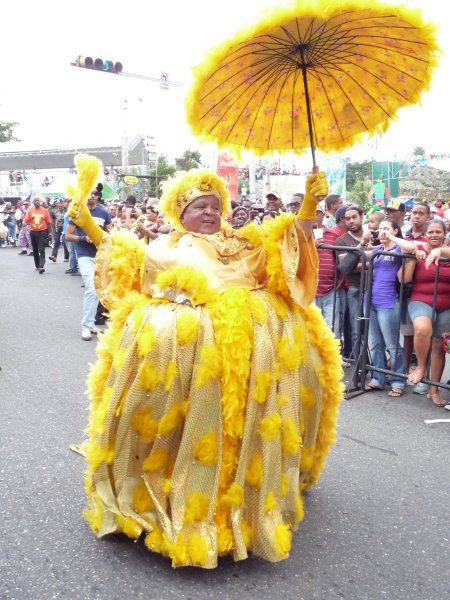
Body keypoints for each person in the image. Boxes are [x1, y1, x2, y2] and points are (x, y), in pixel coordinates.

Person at [67, 156, 342, 568]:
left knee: (243, 427)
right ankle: (169, 494)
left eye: (216, 205)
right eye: (200, 206)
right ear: (182, 213)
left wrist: (307, 209)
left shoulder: (244, 241)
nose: (211, 212)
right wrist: (88, 224)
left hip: (249, 357)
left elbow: (286, 260)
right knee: (182, 426)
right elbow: (127, 267)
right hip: (183, 359)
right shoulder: (167, 246)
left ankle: (242, 503)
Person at [390, 220, 450, 406]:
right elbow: (404, 244)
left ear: (444, 234)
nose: (434, 235)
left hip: (446, 304)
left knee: (439, 347)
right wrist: (393, 237)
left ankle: (434, 389)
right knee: (422, 329)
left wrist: (439, 251)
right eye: (430, 232)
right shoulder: (420, 247)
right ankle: (421, 367)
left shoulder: (447, 250)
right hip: (420, 300)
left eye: (438, 232)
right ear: (426, 233)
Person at [359, 219, 406, 397]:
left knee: (392, 345)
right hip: (369, 302)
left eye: (386, 228)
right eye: (380, 229)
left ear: (395, 230)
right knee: (374, 343)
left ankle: (398, 380)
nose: (382, 232)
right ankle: (377, 379)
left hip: (387, 302)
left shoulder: (398, 248)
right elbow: (359, 253)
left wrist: (393, 238)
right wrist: (363, 242)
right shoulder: (378, 249)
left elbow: (410, 249)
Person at [66, 183, 112, 340]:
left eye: (95, 193)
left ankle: (91, 323)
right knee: (92, 290)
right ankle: (85, 326)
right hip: (84, 255)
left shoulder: (104, 213)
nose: (92, 195)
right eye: (90, 193)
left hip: (101, 255)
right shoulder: (79, 212)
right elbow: (68, 236)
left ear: (99, 196)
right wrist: (83, 238)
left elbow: (111, 231)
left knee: (99, 291)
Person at [401, 202, 430, 390]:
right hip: (405, 291)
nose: (416, 216)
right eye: (414, 213)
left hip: (425, 293)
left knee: (426, 335)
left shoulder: (433, 235)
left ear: (428, 217)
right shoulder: (404, 235)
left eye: (421, 213)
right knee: (407, 334)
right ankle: (404, 372)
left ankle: (424, 375)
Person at [336, 205, 366, 356]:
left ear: (361, 216)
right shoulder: (341, 241)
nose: (351, 221)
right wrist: (372, 262)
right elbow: (346, 268)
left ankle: (378, 370)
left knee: (375, 332)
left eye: (354, 217)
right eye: (347, 219)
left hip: (376, 287)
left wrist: (358, 262)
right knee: (356, 330)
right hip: (355, 287)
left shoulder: (374, 234)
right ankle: (360, 366)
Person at [314, 206, 348, 336]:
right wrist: (311, 245)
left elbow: (340, 260)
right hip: (309, 289)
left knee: (332, 330)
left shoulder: (333, 235)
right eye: (311, 212)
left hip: (330, 288)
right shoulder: (299, 236)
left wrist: (340, 279)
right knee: (312, 331)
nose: (314, 216)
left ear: (323, 214)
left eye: (317, 213)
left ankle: (333, 356)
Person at [24, 197, 52, 273]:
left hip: (42, 232)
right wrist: (24, 223)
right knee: (35, 250)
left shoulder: (45, 211)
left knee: (41, 249)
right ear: (33, 202)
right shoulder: (30, 211)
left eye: (38, 201)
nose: (37, 202)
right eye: (35, 201)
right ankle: (37, 265)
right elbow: (26, 220)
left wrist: (49, 233)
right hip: (33, 232)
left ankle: (41, 266)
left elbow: (49, 223)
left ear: (40, 202)